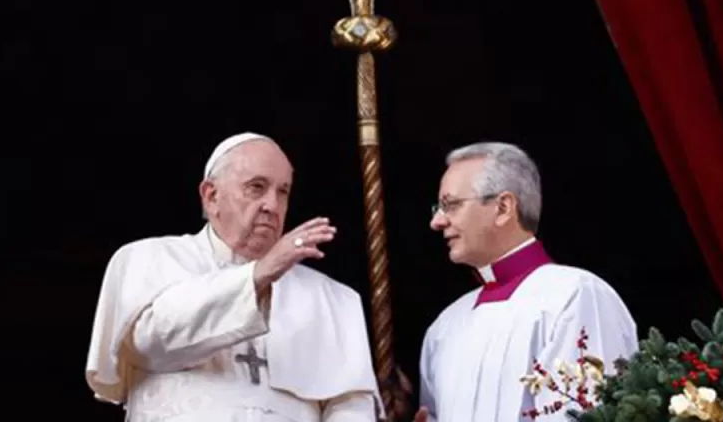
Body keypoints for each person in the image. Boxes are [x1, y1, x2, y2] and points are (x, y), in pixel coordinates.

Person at [85, 132, 384, 421]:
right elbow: (151, 343)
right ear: (211, 196)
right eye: (257, 187)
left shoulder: (330, 297)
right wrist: (257, 276)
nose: (272, 204)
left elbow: (351, 407)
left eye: (283, 191)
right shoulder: (148, 259)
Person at [416, 142, 638, 421]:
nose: (437, 222)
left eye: (451, 205)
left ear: (503, 208)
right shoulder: (445, 326)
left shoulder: (575, 295)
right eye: (439, 207)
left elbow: (587, 413)